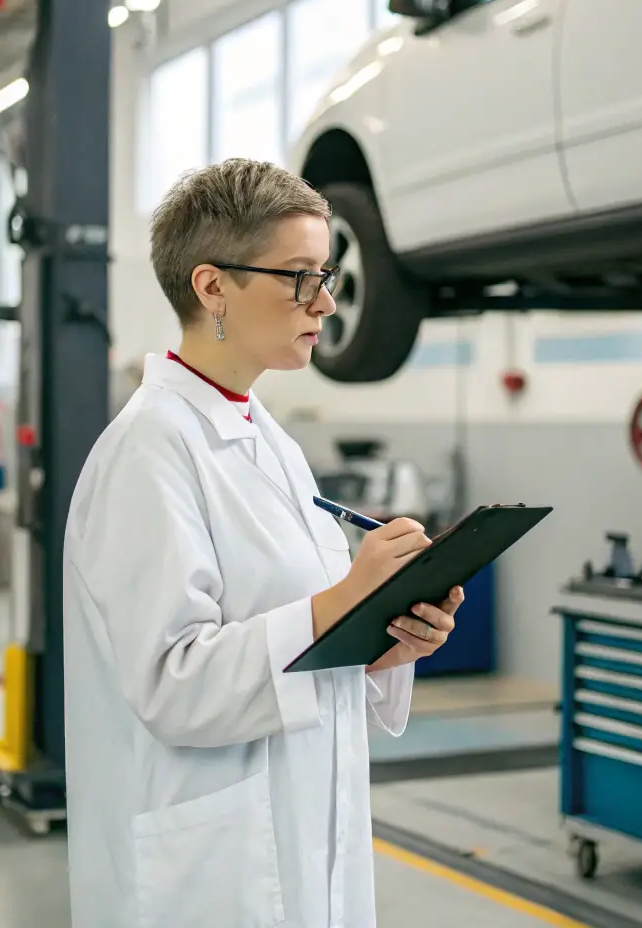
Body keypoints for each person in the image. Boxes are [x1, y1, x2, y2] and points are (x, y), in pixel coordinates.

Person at [62, 158, 462, 928]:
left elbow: (298, 637)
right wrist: (347, 597)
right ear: (212, 287)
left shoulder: (266, 436)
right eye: (299, 277)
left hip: (303, 837)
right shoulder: (149, 450)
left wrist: (385, 638)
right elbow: (173, 682)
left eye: (327, 274)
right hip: (211, 869)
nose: (327, 300)